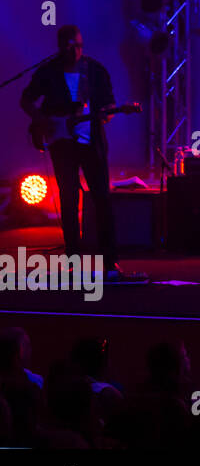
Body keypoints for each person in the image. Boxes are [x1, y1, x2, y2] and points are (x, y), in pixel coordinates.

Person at [19, 25, 141, 281]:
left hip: (91, 142)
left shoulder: (95, 71)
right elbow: (26, 99)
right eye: (68, 45)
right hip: (61, 143)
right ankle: (72, 262)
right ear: (60, 45)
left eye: (77, 45)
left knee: (102, 200)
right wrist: (42, 119)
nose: (73, 50)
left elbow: (107, 106)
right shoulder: (48, 72)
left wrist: (108, 113)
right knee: (68, 200)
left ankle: (110, 262)